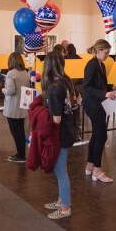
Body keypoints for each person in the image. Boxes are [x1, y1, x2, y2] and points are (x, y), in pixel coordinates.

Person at [42, 51, 78, 219]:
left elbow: (56, 119)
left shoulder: (55, 87)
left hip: (61, 134)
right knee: (59, 169)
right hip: (68, 130)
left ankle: (65, 207)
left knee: (60, 170)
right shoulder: (66, 81)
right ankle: (61, 199)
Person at [82, 39, 115, 183]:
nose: (107, 55)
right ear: (99, 50)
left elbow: (100, 84)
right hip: (93, 104)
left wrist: (111, 90)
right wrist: (104, 94)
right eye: (106, 52)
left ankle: (90, 165)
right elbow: (87, 87)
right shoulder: (92, 65)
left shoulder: (100, 64)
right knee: (101, 136)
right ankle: (97, 169)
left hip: (98, 103)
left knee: (97, 135)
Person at [3, 52, 31, 163]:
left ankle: (20, 155)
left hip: (12, 108)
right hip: (22, 107)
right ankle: (21, 153)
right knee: (20, 131)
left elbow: (10, 91)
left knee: (15, 132)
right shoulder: (25, 72)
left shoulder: (11, 74)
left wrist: (3, 90)